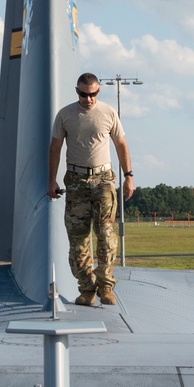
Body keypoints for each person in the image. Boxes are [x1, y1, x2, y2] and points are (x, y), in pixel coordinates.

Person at [48, 72, 134, 306]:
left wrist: (128, 177)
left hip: (103, 179)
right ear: (77, 92)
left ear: (98, 92)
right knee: (78, 240)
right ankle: (87, 289)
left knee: (106, 234)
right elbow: (55, 148)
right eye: (84, 94)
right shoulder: (65, 115)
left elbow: (121, 144)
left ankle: (106, 286)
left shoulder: (108, 113)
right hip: (75, 181)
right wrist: (51, 181)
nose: (88, 99)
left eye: (93, 94)